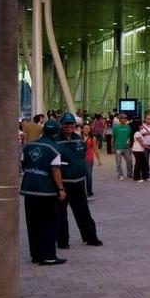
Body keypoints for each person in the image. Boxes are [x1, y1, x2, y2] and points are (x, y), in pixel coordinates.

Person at [20, 119, 67, 266]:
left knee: (32, 223)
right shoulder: (54, 149)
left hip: (29, 189)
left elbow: (23, 163)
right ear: (56, 132)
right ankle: (48, 255)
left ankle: (35, 254)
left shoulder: (28, 147)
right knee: (49, 223)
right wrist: (60, 189)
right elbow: (55, 170)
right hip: (46, 191)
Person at [55, 114, 101, 247]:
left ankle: (90, 237)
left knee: (83, 211)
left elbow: (83, 157)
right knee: (61, 214)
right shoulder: (56, 141)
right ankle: (63, 241)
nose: (69, 126)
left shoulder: (79, 140)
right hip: (64, 183)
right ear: (61, 125)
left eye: (71, 124)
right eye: (66, 124)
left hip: (79, 182)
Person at [113, 113, 133, 180]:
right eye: (123, 118)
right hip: (118, 147)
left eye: (125, 118)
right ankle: (120, 175)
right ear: (120, 119)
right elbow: (113, 137)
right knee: (118, 162)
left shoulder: (128, 127)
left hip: (126, 147)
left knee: (129, 160)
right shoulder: (116, 127)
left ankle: (129, 174)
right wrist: (112, 147)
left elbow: (129, 136)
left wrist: (130, 143)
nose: (125, 120)